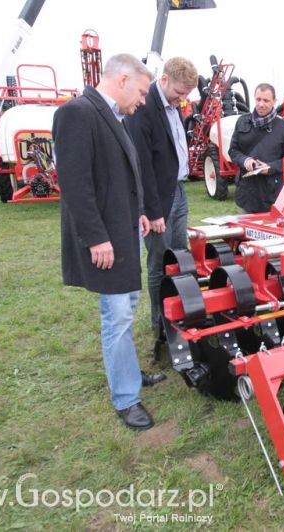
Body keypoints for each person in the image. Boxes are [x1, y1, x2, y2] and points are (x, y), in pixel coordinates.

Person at [53, 54, 161, 431]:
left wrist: (139, 212)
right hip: (106, 237)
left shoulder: (115, 117)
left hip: (124, 229)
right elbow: (76, 184)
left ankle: (127, 373)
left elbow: (119, 177)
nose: (144, 100)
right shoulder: (77, 114)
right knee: (116, 316)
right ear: (124, 79)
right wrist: (96, 237)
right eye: (143, 92)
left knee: (127, 306)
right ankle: (126, 398)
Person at [126, 57, 198, 344]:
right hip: (158, 199)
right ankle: (160, 323)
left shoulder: (172, 106)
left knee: (180, 256)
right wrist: (153, 211)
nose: (183, 100)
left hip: (177, 191)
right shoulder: (144, 111)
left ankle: (183, 311)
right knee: (159, 260)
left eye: (186, 95)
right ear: (164, 79)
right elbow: (142, 166)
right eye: (179, 93)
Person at [229, 83, 284, 214]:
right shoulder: (242, 122)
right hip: (247, 192)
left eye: (266, 100)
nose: (261, 104)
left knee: (274, 234)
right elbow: (233, 150)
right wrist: (245, 160)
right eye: (258, 99)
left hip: (272, 194)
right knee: (246, 233)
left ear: (274, 101)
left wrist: (270, 168)